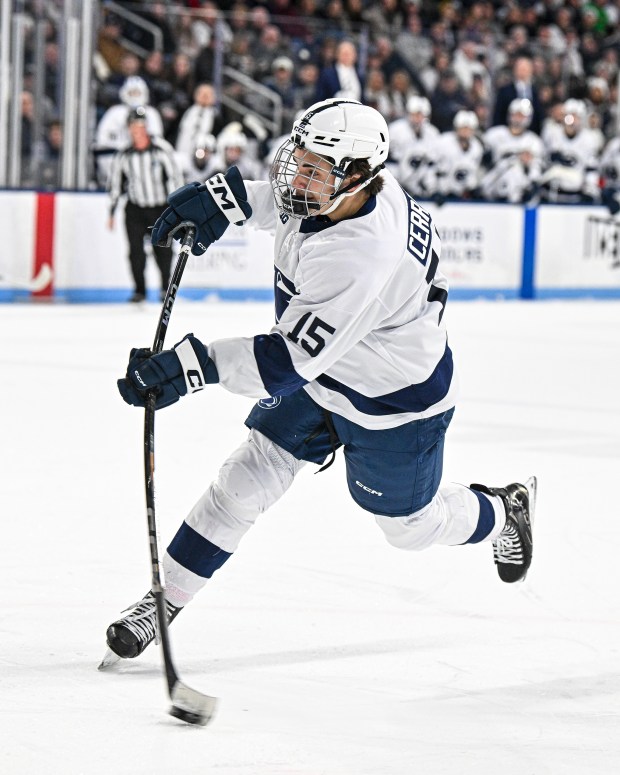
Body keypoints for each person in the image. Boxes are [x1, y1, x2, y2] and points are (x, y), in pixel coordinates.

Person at [104, 98, 535, 660]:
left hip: (392, 402)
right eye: (298, 158)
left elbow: (282, 364)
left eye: (314, 168)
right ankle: (163, 604)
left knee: (408, 528)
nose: (296, 176)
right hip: (325, 371)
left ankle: (505, 509)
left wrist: (190, 367)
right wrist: (224, 200)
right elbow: (281, 204)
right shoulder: (337, 194)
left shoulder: (362, 254)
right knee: (244, 478)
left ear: (359, 176)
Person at [107, 108, 184, 303]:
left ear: (146, 127)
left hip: (159, 208)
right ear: (129, 128)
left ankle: (165, 289)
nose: (137, 131)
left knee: (164, 250)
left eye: (140, 126)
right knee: (135, 252)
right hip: (135, 208)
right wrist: (112, 212)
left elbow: (175, 178)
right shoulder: (124, 154)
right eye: (133, 127)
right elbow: (116, 183)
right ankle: (139, 290)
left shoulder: (161, 149)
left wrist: (178, 207)